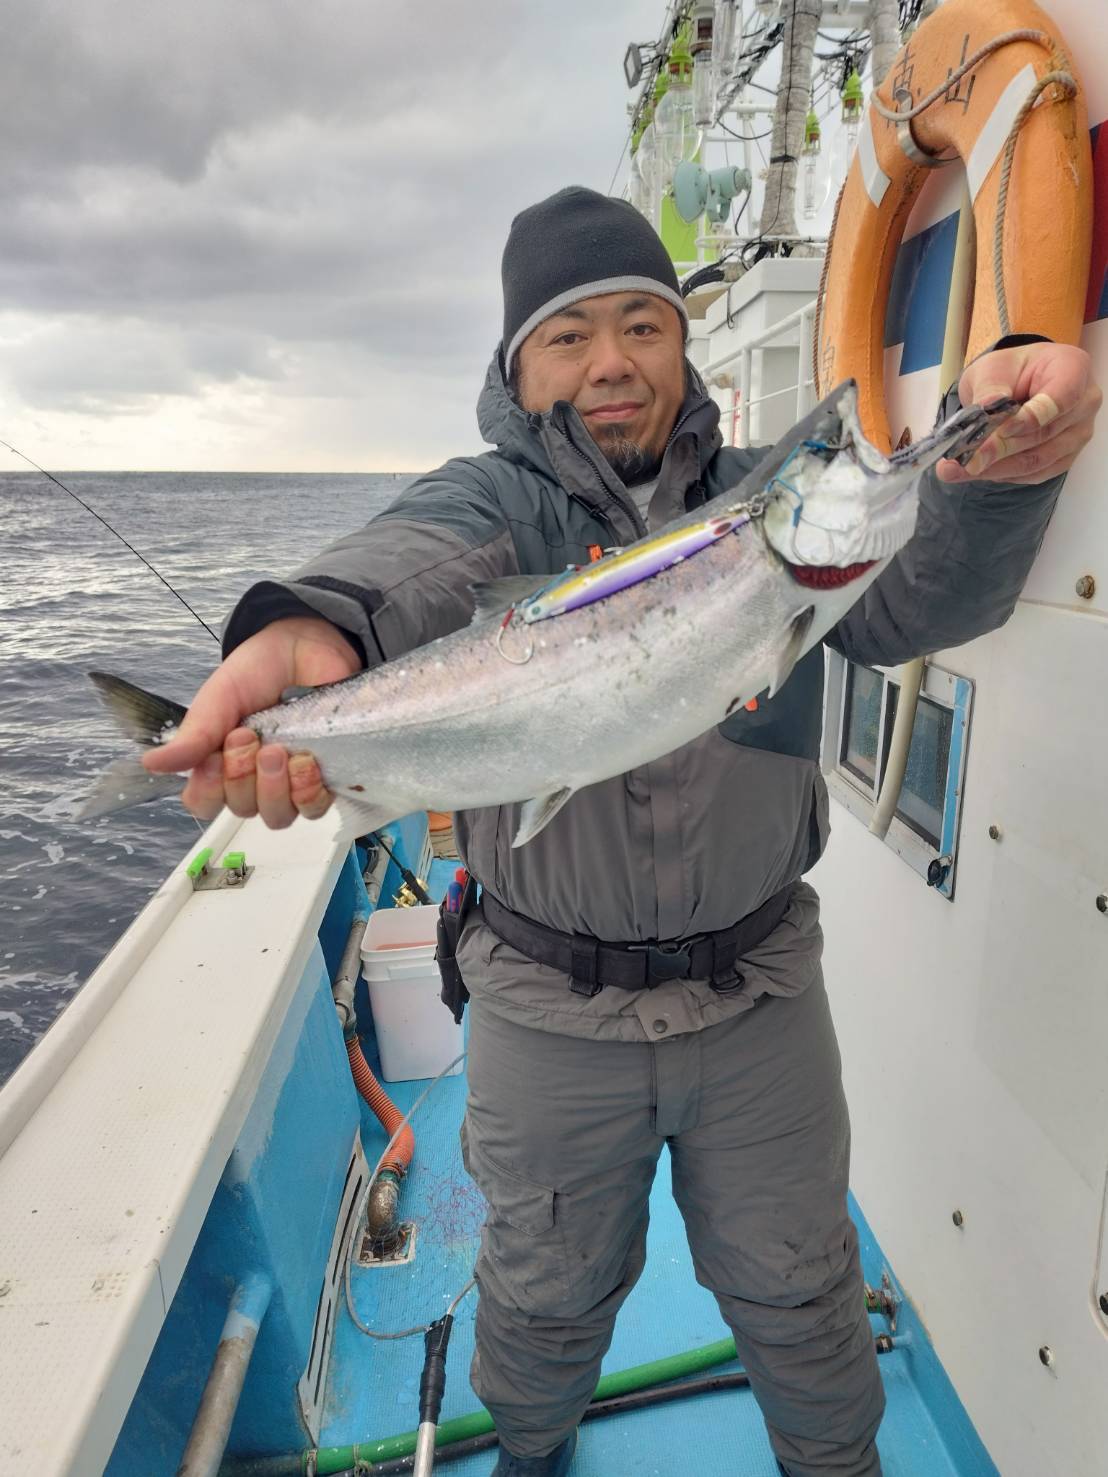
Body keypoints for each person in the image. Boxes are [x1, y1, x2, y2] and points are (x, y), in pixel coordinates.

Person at [147, 188, 1101, 1476]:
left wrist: (998, 485)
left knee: (804, 1293)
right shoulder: (493, 506)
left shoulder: (766, 497)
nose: (611, 361)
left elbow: (920, 598)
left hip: (760, 999)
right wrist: (301, 629)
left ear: (682, 348)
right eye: (569, 334)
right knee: (541, 1300)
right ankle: (533, 1456)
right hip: (549, 1011)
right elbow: (402, 563)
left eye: (644, 326)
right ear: (516, 368)